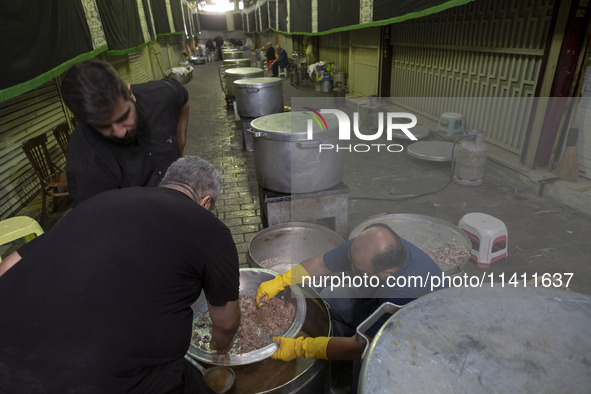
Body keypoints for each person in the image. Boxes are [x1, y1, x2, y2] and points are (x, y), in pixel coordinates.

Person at [0, 156, 240, 393]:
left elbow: (7, 266)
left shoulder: (100, 201)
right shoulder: (212, 230)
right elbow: (226, 324)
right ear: (206, 202)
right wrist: (219, 349)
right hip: (86, 379)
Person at [256, 223, 445, 380]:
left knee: (364, 367)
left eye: (359, 270)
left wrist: (303, 347)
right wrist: (281, 281)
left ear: (387, 273)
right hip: (374, 297)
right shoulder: (368, 248)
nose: (350, 267)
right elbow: (323, 263)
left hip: (418, 333)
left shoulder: (403, 295)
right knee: (332, 297)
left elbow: (359, 347)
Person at [61, 59, 190, 206]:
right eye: (105, 127)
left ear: (130, 93)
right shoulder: (84, 161)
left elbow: (183, 97)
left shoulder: (160, 95)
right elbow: (95, 218)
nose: (120, 132)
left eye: (123, 117)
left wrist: (180, 145)